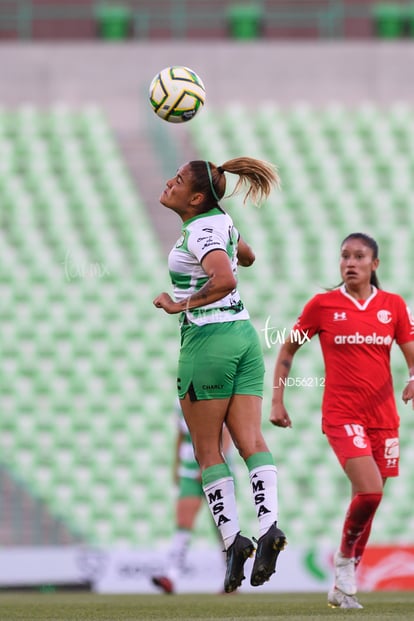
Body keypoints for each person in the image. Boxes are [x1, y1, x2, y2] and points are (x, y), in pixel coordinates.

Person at [153, 157, 287, 593]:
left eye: (176, 181)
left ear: (195, 198)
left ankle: (233, 544)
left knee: (208, 451)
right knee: (252, 443)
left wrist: (181, 305)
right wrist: (227, 249)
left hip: (207, 342)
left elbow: (226, 277)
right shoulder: (219, 220)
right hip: (244, 338)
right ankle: (269, 528)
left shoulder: (199, 230)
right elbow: (246, 256)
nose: (167, 183)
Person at [270, 232, 414, 609]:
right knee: (370, 491)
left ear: (374, 265)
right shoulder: (323, 305)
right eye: (344, 256)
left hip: (384, 418)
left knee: (368, 503)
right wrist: (278, 400)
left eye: (359, 256)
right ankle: (346, 561)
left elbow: (410, 351)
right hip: (342, 414)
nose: (350, 263)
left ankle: (341, 588)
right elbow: (289, 347)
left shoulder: (393, 306)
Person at [152, 400, 233, 594]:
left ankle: (232, 578)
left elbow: (226, 435)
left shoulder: (216, 396)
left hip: (216, 471)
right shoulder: (179, 402)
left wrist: (212, 465)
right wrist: (176, 466)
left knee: (223, 528)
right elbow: (181, 435)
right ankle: (171, 576)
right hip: (189, 471)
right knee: (183, 522)